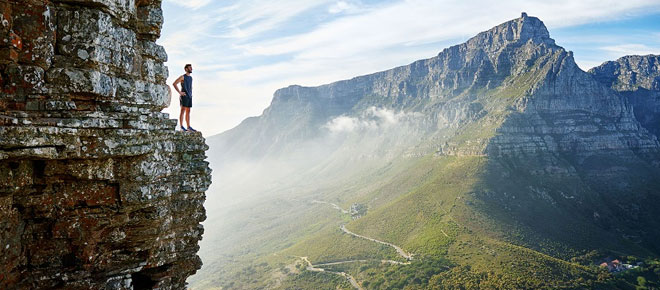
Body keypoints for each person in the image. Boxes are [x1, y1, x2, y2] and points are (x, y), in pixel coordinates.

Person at [172, 64, 196, 132]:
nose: (191, 69)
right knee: (182, 111)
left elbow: (190, 87)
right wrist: (180, 92)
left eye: (191, 68)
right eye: (190, 68)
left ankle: (188, 127)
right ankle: (181, 127)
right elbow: (174, 83)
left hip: (189, 96)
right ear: (186, 69)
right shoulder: (182, 77)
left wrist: (191, 93)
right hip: (184, 96)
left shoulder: (191, 78)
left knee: (188, 111)